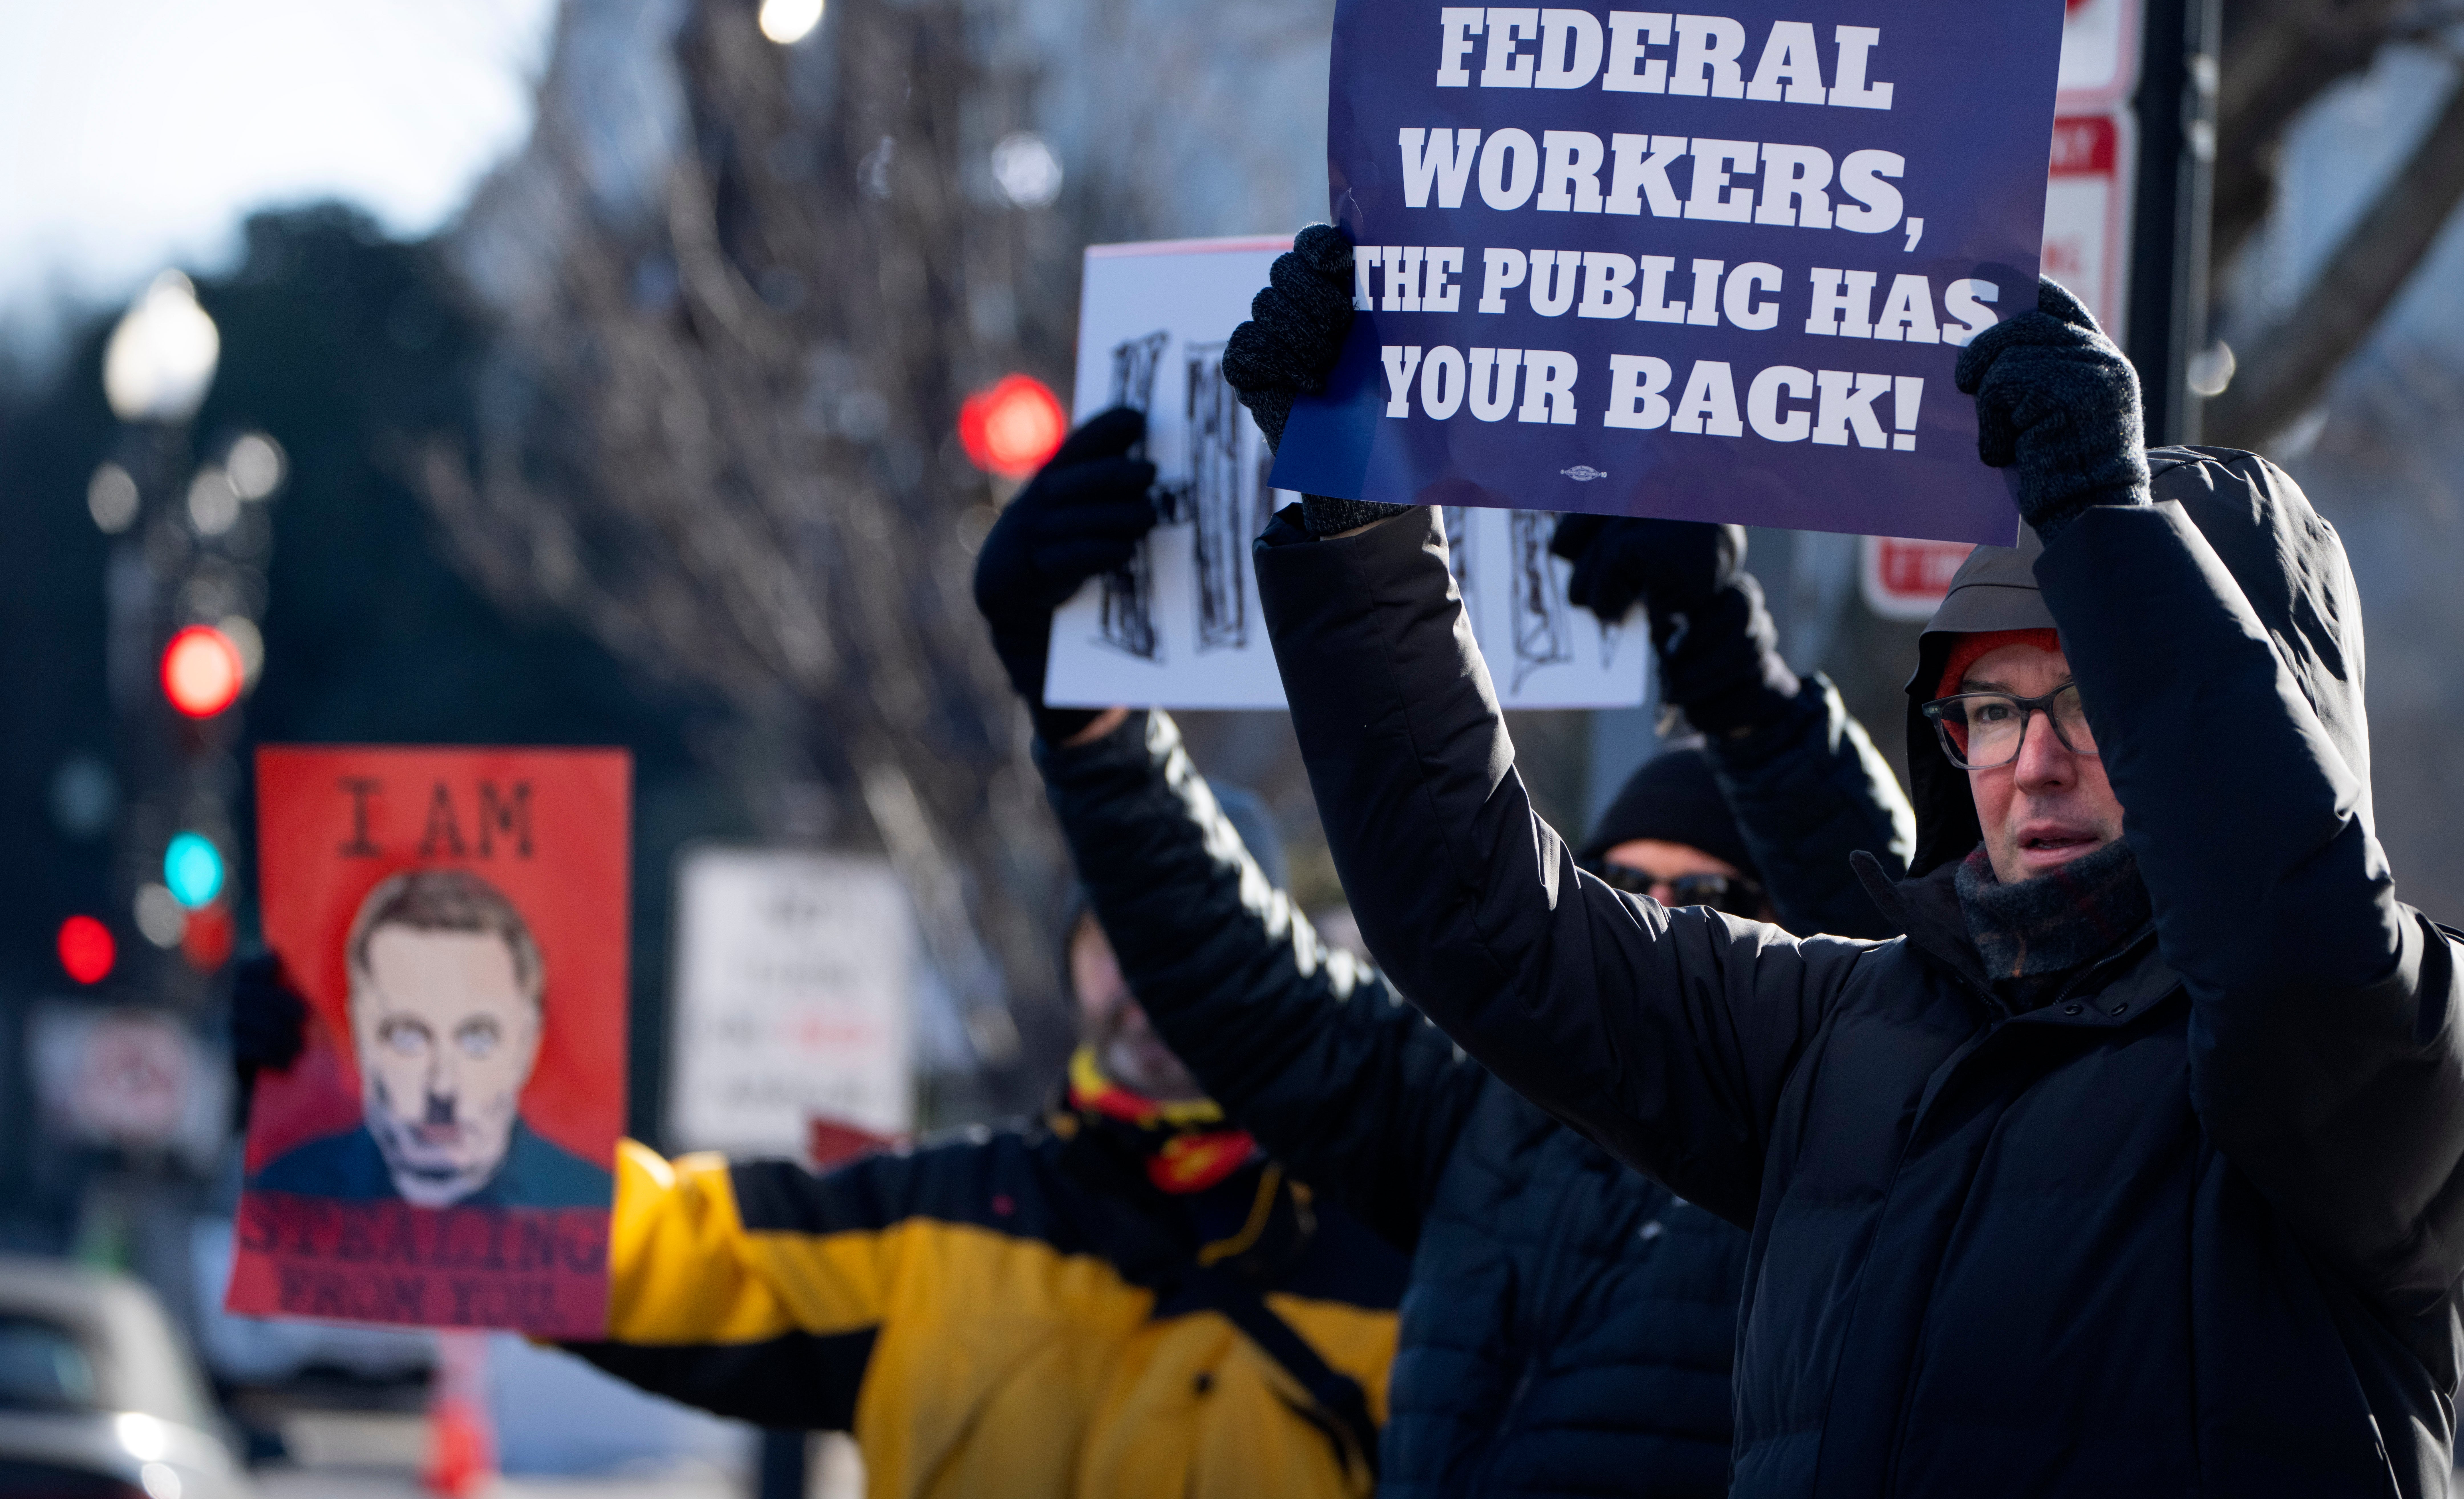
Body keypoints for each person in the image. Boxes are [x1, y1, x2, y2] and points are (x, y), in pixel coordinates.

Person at [1221, 226, 2464, 1495]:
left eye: (2093, 699)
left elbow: (2283, 946)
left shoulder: (2397, 1056)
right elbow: (1482, 922)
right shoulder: (1842, 1031)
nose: (2030, 762)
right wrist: (1355, 510)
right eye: (1991, 707)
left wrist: (2105, 527)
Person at [973, 408, 1912, 1496]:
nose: (1652, 917)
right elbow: (1245, 986)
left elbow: (1895, 939)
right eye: (1622, 885)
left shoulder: (1843, 1143)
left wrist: (1731, 673)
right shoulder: (1478, 1111)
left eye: (1702, 896)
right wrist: (1086, 719)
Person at [233, 854, 1406, 1499]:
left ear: (1283, 970)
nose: (1152, 985)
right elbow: (660, 1249)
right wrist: (366, 1109)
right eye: (1117, 940)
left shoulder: (1400, 1258)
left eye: (1201, 945)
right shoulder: (937, 1217)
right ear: (1074, 964)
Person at [250, 868, 607, 1209]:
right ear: (361, 1034)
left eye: (477, 1039)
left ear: (527, 1044)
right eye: (408, 1037)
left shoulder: (595, 1205)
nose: (442, 1087)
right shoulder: (285, 1194)